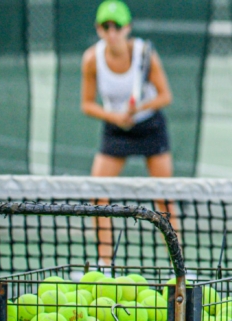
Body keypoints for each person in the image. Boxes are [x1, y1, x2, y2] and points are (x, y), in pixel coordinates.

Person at [80, 0, 178, 267]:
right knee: (98, 194)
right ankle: (104, 264)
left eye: (117, 26)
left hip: (149, 127)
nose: (112, 32)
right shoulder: (91, 59)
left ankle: (179, 268)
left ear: (128, 28)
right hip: (116, 129)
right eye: (105, 26)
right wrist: (116, 116)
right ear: (99, 29)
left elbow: (165, 95)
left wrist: (139, 108)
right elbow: (87, 104)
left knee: (164, 197)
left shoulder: (146, 54)